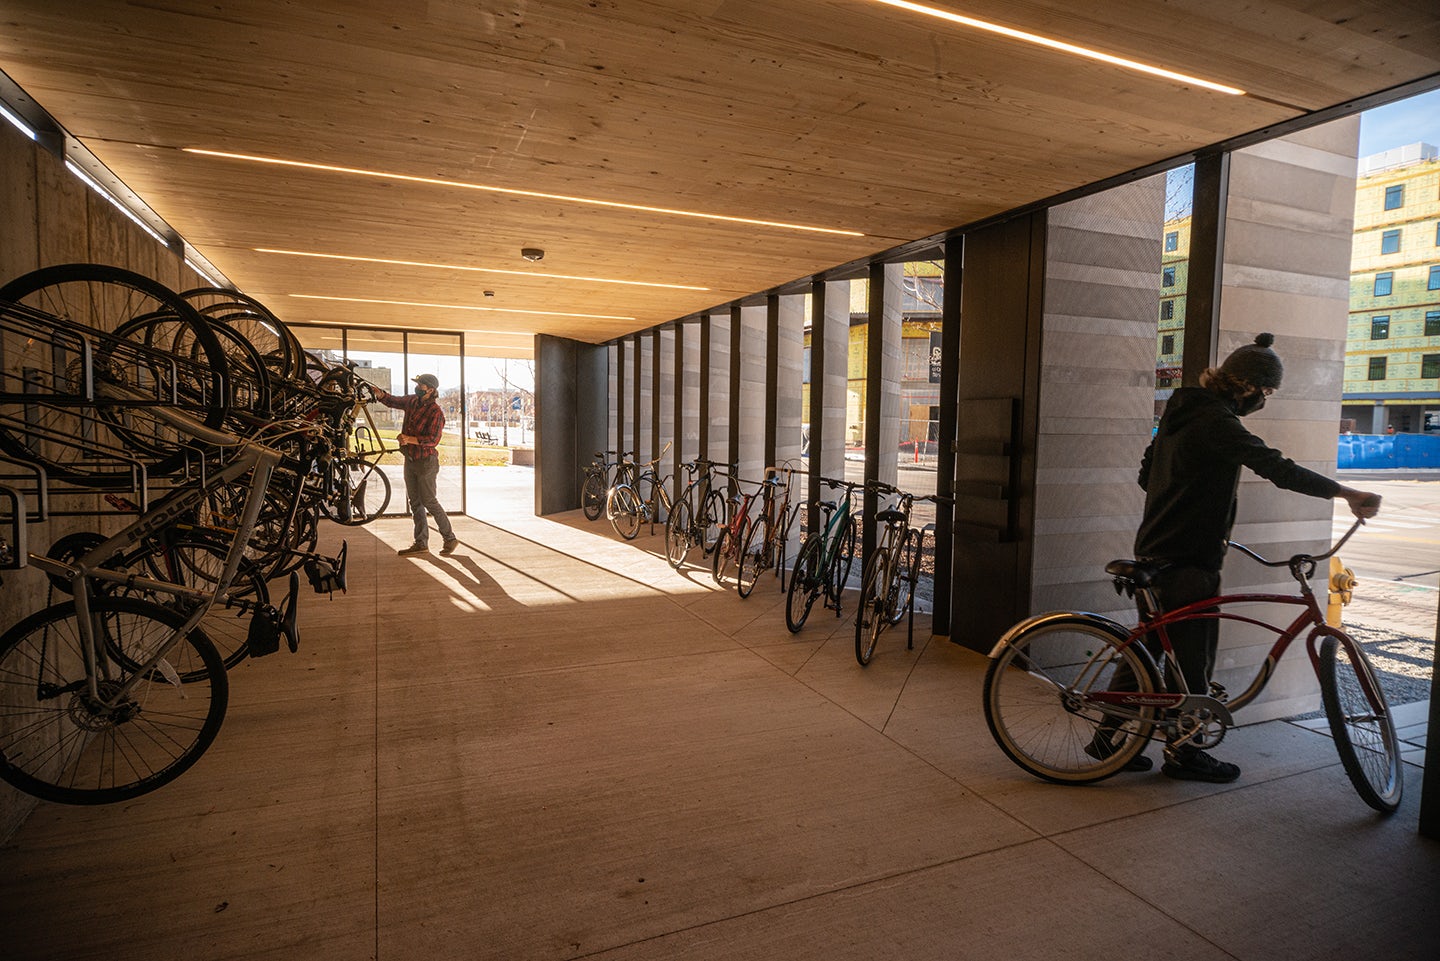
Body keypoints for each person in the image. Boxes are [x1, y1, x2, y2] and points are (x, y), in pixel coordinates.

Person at [1097, 333, 1381, 783]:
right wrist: (1347, 492)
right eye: (1265, 393)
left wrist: (1187, 496)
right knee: (1193, 660)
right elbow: (1276, 466)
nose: (1263, 401)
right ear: (1246, 385)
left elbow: (1146, 475)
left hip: (1154, 547)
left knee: (1152, 649)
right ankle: (1185, 755)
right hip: (1187, 560)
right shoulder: (1216, 421)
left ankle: (1105, 738)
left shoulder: (1181, 410)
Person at [375, 373, 459, 557]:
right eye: (418, 384)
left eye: (421, 385)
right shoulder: (412, 401)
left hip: (426, 462)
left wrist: (408, 439)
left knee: (429, 501)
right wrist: (380, 394)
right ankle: (421, 543)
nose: (418, 387)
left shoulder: (436, 412)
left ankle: (450, 538)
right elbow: (393, 401)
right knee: (415, 503)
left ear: (431, 390)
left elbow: (433, 440)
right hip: (410, 460)